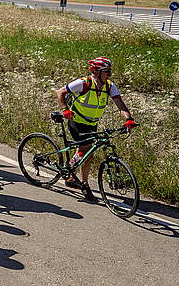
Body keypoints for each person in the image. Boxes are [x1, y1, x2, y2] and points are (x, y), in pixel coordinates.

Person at [55, 57, 136, 200]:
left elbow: (120, 104)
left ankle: (70, 173)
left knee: (87, 153)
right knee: (86, 150)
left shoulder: (110, 86)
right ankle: (82, 183)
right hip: (77, 121)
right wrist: (65, 110)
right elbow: (60, 92)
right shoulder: (83, 83)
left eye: (110, 71)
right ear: (97, 72)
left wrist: (128, 119)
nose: (109, 74)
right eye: (107, 71)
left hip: (92, 124)